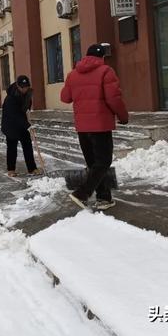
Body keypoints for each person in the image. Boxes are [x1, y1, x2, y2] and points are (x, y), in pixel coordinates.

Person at [61, 43, 129, 211]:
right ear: (102, 57)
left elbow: (65, 97)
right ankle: (82, 193)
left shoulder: (73, 74)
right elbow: (114, 99)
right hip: (100, 126)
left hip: (82, 128)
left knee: (94, 164)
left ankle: (104, 197)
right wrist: (123, 116)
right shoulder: (106, 71)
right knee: (103, 161)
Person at [1, 75, 42, 177]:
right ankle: (11, 169)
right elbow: (15, 115)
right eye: (23, 87)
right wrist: (28, 125)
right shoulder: (10, 98)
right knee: (12, 148)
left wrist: (27, 109)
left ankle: (32, 168)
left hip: (22, 123)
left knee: (27, 145)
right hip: (10, 124)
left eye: (26, 87)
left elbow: (27, 106)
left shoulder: (27, 93)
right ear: (18, 86)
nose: (25, 89)